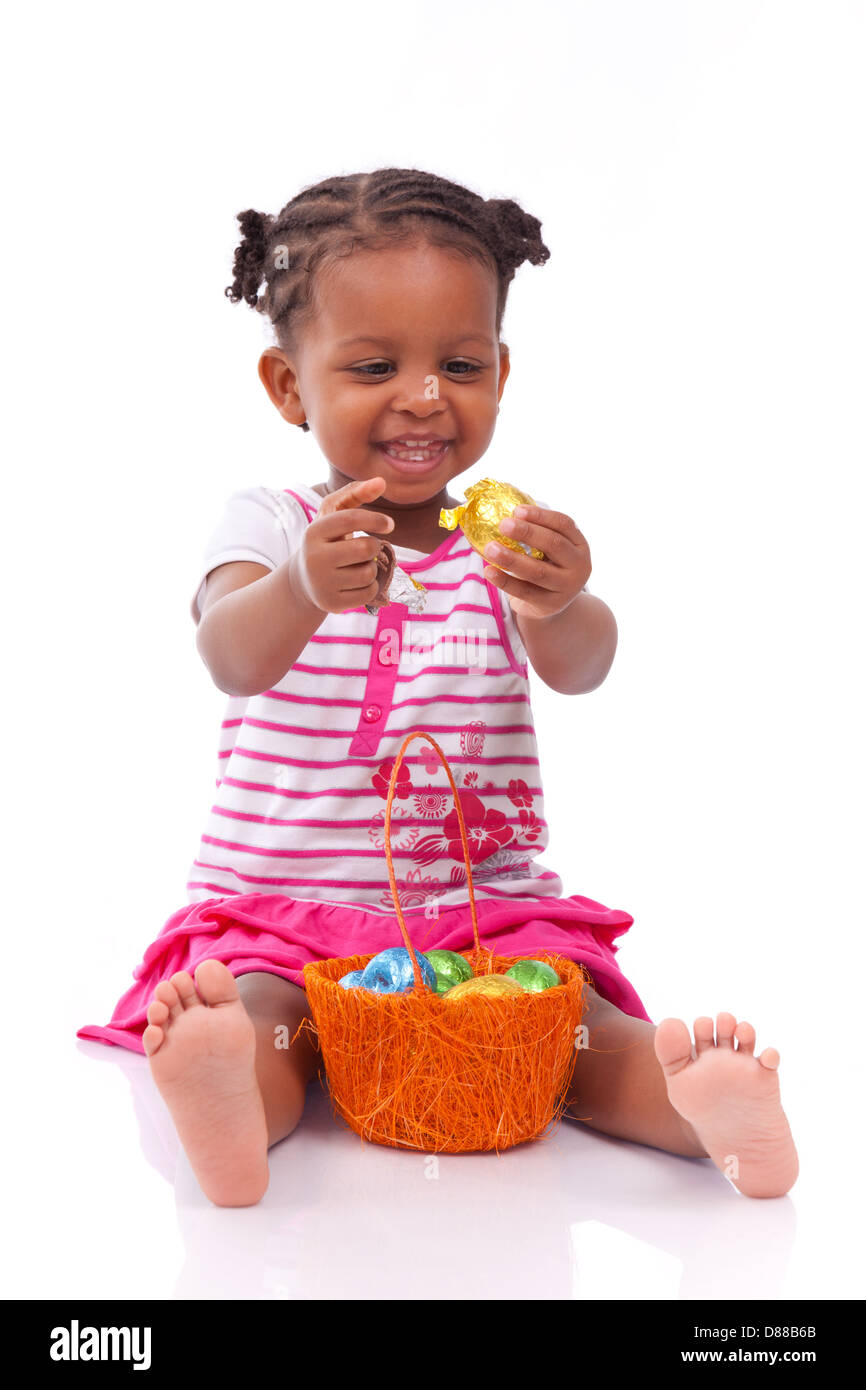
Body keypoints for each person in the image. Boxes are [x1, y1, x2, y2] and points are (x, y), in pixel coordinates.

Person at [77, 167, 798, 1207]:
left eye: (459, 364)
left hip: (480, 914)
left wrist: (558, 603)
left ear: (500, 372)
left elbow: (583, 669)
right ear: (289, 385)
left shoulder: (501, 543)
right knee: (275, 1018)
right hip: (284, 910)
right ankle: (234, 1095)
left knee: (565, 1032)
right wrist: (302, 586)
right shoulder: (273, 523)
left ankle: (693, 1106)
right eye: (374, 366)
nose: (423, 396)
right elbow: (231, 654)